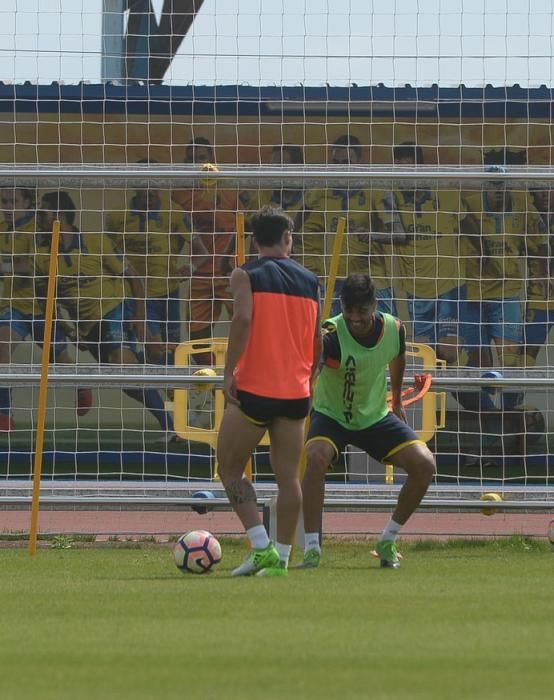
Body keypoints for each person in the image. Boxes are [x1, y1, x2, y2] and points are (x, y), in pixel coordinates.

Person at [300, 274, 435, 569]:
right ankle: (312, 548)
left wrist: (397, 398)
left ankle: (387, 540)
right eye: (349, 313)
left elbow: (397, 356)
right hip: (331, 416)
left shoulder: (393, 328)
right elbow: (311, 372)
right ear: (342, 308)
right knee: (316, 458)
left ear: (374, 305)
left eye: (362, 312)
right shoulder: (331, 335)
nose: (355, 319)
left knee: (425, 464)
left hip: (374, 417)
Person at [216, 206, 321, 577]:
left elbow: (242, 319)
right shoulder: (310, 280)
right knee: (288, 477)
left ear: (253, 240)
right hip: (296, 391)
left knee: (229, 467)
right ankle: (283, 556)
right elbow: (316, 339)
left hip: (255, 389)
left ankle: (261, 547)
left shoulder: (245, 274)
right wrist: (309, 376)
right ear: (287, 238)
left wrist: (229, 371)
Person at [35, 191, 175, 438]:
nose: (38, 218)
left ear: (60, 216)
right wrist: (69, 330)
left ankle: (173, 427)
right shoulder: (43, 256)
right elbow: (48, 301)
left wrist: (139, 315)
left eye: (42, 213)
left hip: (114, 309)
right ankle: (163, 371)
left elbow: (133, 278)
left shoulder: (96, 241)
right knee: (127, 382)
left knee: (125, 370)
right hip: (88, 327)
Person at [0, 187, 91, 431]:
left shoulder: (39, 229)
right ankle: (4, 416)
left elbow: (29, 266)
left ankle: (81, 383)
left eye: (14, 201)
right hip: (13, 307)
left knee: (58, 358)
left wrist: (4, 265)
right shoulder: (2, 228)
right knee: (2, 351)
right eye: (4, 201)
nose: (8, 207)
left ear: (28, 203)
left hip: (42, 306)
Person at [382, 142, 474, 366]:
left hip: (449, 285)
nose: (404, 174)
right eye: (399, 168)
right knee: (428, 358)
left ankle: (461, 356)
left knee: (448, 353)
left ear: (420, 167)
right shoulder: (390, 199)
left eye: (408, 167)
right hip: (416, 289)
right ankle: (447, 391)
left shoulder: (446, 194)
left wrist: (484, 257)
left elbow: (470, 225)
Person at [105, 160, 196, 365]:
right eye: (142, 184)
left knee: (174, 354)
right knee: (155, 352)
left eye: (153, 184)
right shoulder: (116, 216)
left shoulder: (176, 213)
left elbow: (201, 250)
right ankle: (151, 386)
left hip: (168, 292)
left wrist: (190, 268)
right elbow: (107, 252)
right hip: (135, 295)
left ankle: (175, 395)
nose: (148, 191)